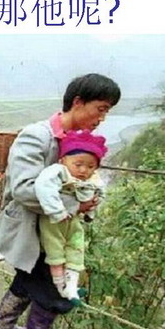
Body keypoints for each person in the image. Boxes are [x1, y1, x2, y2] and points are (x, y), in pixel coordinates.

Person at [0, 73, 121, 329]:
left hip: (55, 229)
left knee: (28, 280)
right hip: (28, 227)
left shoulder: (77, 144)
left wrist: (88, 199)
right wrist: (75, 205)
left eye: (107, 111)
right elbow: (23, 189)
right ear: (78, 102)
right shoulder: (36, 136)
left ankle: (3, 324)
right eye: (100, 109)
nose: (102, 118)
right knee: (54, 291)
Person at [35, 130, 107, 305]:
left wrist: (90, 212)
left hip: (73, 220)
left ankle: (72, 287)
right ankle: (62, 288)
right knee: (55, 252)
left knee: (76, 247)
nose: (83, 170)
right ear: (63, 160)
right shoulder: (57, 171)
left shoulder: (92, 179)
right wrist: (57, 211)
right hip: (54, 221)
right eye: (78, 164)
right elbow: (44, 187)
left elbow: (98, 193)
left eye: (90, 166)